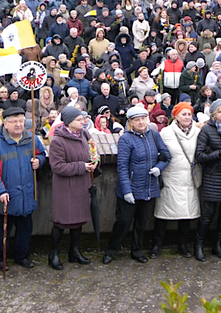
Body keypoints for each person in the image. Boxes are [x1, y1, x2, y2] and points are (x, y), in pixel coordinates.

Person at [103, 104, 169, 264]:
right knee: (123, 222)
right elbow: (122, 166)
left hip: (149, 186)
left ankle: (137, 250)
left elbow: (166, 155)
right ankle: (111, 250)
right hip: (131, 187)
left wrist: (159, 168)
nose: (141, 122)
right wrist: (127, 190)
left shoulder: (153, 135)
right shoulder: (126, 139)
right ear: (131, 122)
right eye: (137, 120)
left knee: (142, 222)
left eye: (143, 119)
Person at [0, 107, 47, 271]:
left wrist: (39, 161)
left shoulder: (32, 139)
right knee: (2, 230)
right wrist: (0, 191)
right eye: (14, 122)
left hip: (27, 194)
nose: (19, 125)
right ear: (5, 124)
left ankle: (22, 256)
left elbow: (42, 154)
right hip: (7, 194)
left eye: (21, 121)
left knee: (25, 228)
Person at [47, 106, 98, 270]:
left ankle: (74, 251)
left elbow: (92, 152)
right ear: (68, 122)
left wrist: (95, 162)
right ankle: (53, 253)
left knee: (79, 220)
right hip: (65, 188)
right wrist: (81, 167)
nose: (83, 121)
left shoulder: (85, 134)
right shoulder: (57, 141)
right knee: (62, 222)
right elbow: (57, 167)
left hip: (82, 184)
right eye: (79, 119)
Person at [154, 102, 200, 258]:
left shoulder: (198, 132)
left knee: (186, 215)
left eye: (189, 114)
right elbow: (159, 153)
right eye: (183, 114)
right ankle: (156, 245)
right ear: (175, 116)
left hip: (189, 179)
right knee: (163, 214)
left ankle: (183, 245)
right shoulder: (166, 133)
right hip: (171, 177)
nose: (187, 117)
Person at [194, 99, 221, 262]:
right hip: (213, 175)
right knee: (207, 215)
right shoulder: (207, 130)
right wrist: (219, 153)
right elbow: (200, 155)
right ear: (213, 114)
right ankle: (199, 245)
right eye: (220, 111)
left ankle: (217, 244)